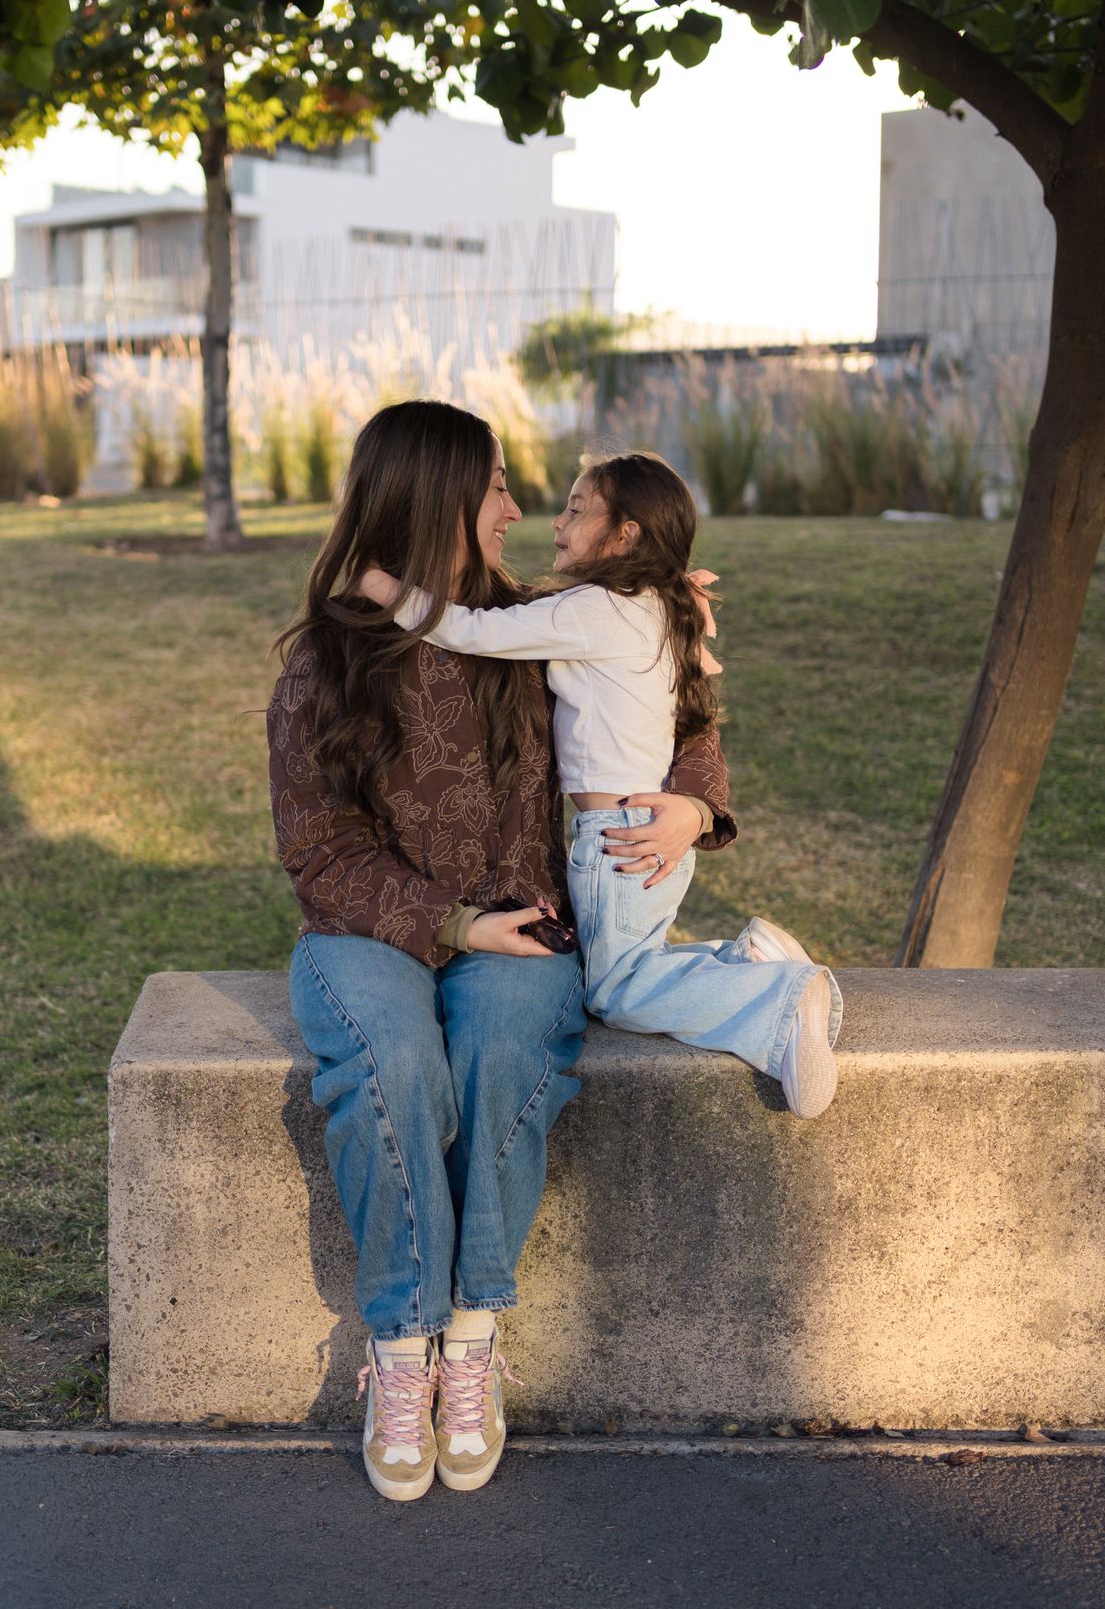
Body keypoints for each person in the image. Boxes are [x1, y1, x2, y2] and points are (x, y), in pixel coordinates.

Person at [267, 405, 727, 1503]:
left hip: (528, 919)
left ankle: (469, 1341)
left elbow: (684, 711)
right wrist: (450, 925)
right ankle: (400, 1349)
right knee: (393, 1064)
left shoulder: (546, 619)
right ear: (435, 503)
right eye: (497, 493)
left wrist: (694, 807)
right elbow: (319, 851)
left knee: (505, 1052)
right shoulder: (328, 659)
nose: (520, 512)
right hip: (373, 927)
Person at [358, 450, 843, 1119]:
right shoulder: (652, 607)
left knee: (616, 990)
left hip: (617, 837)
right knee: (631, 962)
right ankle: (745, 960)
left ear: (625, 535)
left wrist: (386, 591)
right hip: (639, 828)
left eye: (577, 510)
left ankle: (778, 1003)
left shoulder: (594, 609)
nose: (556, 522)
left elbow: (473, 630)